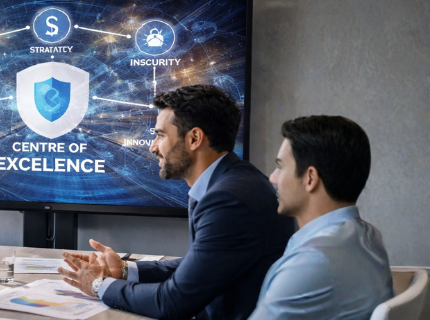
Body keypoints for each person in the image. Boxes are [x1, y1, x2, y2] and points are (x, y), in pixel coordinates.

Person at [58, 84, 295, 319]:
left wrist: (100, 286)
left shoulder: (228, 199)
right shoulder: (235, 180)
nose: (152, 148)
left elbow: (171, 302)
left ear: (194, 138)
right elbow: (201, 265)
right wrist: (124, 270)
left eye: (160, 135)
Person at [249, 116, 392, 319]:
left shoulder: (310, 262)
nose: (272, 178)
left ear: (310, 178)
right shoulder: (369, 237)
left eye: (280, 167)